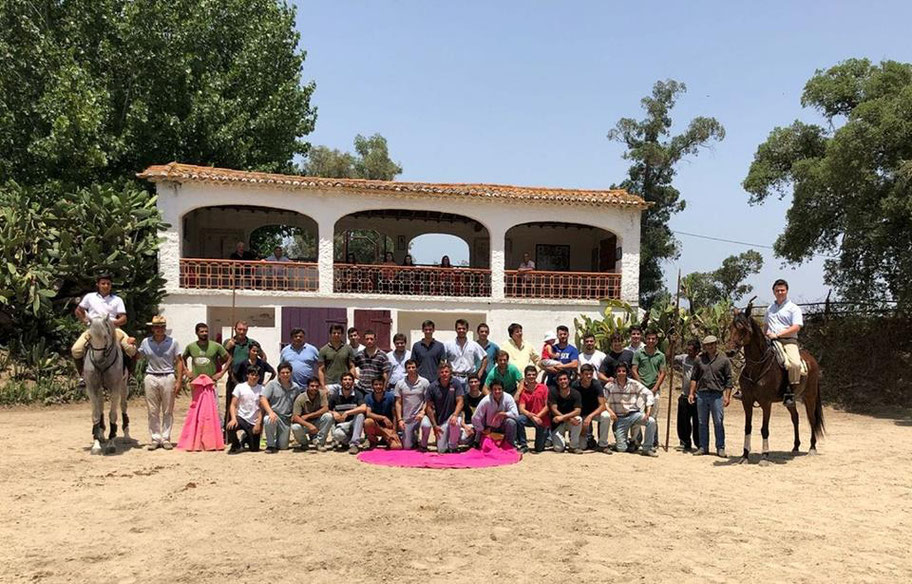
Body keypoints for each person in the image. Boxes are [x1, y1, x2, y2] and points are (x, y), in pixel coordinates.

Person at [71, 273, 137, 376]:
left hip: (113, 329)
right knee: (76, 349)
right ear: (98, 284)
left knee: (130, 348)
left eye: (108, 284)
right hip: (94, 329)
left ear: (111, 285)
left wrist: (112, 322)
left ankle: (131, 375)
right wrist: (85, 321)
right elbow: (79, 310)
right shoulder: (90, 297)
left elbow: (123, 319)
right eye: (103, 283)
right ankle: (82, 376)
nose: (106, 286)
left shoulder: (117, 299)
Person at [137, 315, 182, 450]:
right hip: (151, 376)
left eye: (162, 326)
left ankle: (166, 437)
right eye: (157, 326)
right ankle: (155, 438)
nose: (159, 329)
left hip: (168, 376)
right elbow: (139, 356)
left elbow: (179, 361)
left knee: (168, 409)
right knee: (152, 410)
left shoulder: (173, 342)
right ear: (153, 328)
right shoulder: (146, 342)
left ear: (165, 328)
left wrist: (179, 380)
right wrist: (130, 344)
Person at [599, 361, 658, 456]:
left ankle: (647, 448)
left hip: (634, 414)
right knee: (622, 449)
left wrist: (648, 411)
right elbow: (602, 401)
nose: (621, 373)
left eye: (623, 371)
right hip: (620, 418)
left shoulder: (634, 384)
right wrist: (610, 411)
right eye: (619, 371)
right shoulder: (609, 385)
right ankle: (623, 443)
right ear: (615, 373)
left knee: (651, 421)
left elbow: (649, 393)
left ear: (627, 372)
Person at [688, 335, 733, 458]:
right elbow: (694, 377)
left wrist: (727, 396)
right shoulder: (699, 360)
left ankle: (720, 447)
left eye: (712, 344)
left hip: (717, 395)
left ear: (716, 344)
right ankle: (703, 447)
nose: (710, 346)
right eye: (707, 345)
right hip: (701, 394)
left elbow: (729, 380)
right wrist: (691, 393)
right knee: (702, 422)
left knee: (718, 422)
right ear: (704, 346)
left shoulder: (724, 360)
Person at [764, 278, 804, 406]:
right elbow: (766, 325)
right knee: (750, 358)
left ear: (786, 291)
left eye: (782, 290)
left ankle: (790, 393)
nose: (780, 292)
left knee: (794, 364)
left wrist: (778, 334)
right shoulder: (770, 308)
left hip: (788, 341)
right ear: (773, 292)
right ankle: (746, 389)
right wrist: (765, 335)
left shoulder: (794, 308)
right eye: (777, 290)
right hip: (770, 340)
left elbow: (796, 326)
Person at [223, 320, 263, 429]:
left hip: (250, 380)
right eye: (239, 329)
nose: (242, 332)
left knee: (253, 405)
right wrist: (227, 348)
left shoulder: (252, 343)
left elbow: (263, 357)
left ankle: (251, 431)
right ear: (235, 329)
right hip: (233, 378)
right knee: (230, 405)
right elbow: (221, 360)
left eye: (244, 330)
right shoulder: (228, 342)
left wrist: (259, 373)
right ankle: (228, 434)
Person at [632, 329, 666, 448]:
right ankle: (636, 441)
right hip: (640, 390)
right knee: (637, 415)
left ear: (656, 341)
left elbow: (662, 373)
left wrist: (656, 387)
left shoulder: (661, 355)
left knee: (653, 417)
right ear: (645, 340)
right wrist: (641, 385)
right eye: (648, 338)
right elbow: (634, 369)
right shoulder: (639, 353)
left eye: (653, 339)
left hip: (654, 390)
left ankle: (652, 442)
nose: (651, 341)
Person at [421, 363, 465, 453]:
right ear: (438, 373)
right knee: (441, 449)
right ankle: (447, 437)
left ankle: (453, 447)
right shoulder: (432, 387)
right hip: (439, 419)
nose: (444, 374)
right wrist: (434, 425)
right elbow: (428, 408)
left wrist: (455, 415)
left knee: (455, 423)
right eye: (442, 372)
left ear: (450, 373)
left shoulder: (456, 383)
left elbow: (460, 401)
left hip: (452, 416)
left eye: (446, 372)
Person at [259, 362, 302, 453]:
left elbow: (297, 403)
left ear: (291, 373)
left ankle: (277, 442)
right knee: (268, 420)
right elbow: (263, 399)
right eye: (282, 373)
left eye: (287, 372)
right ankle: (270, 445)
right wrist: (270, 412)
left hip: (286, 418)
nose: (285, 375)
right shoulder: (272, 385)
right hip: (274, 415)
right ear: (279, 373)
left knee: (283, 447)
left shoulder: (296, 387)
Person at [471, 379, 519, 448]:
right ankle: (477, 441)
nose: (497, 391)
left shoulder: (508, 398)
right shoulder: (486, 400)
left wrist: (503, 414)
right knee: (487, 448)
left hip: (503, 426)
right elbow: (475, 417)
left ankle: (510, 444)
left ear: (503, 389)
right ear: (491, 390)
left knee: (511, 422)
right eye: (495, 389)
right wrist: (483, 429)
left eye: (499, 389)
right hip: (489, 427)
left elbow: (515, 414)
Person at [226, 368, 264, 454]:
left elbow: (262, 408)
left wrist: (258, 423)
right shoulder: (240, 387)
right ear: (247, 375)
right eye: (252, 375)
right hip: (241, 418)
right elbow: (233, 404)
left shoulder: (262, 389)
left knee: (254, 449)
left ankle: (245, 439)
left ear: (259, 377)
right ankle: (236, 445)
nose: (254, 377)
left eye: (256, 375)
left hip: (253, 421)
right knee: (230, 427)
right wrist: (233, 419)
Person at [394, 359, 429, 450]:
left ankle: (424, 445)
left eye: (413, 367)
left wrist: (422, 412)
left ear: (417, 368)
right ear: (406, 369)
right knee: (407, 446)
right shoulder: (400, 383)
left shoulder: (424, 382)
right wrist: (400, 419)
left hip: (420, 416)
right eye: (408, 367)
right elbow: (398, 403)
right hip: (407, 418)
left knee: (427, 426)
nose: (411, 369)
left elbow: (427, 400)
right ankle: (413, 438)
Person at [291, 378, 333, 451]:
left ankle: (320, 442)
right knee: (295, 427)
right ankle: (304, 443)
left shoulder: (322, 394)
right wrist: (309, 425)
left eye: (316, 386)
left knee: (328, 416)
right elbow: (295, 417)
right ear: (307, 387)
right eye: (312, 386)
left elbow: (325, 409)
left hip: (317, 421)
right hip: (305, 424)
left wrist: (308, 415)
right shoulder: (300, 398)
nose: (314, 388)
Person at [674, 339, 701, 451]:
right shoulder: (684, 358)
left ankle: (699, 444)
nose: (689, 352)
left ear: (697, 350)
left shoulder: (701, 361)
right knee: (683, 421)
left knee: (697, 422)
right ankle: (685, 442)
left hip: (698, 396)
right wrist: (671, 344)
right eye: (688, 350)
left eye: (691, 350)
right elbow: (671, 357)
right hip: (685, 394)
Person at [329, 372, 367, 454]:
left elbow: (364, 407)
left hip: (353, 424)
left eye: (350, 380)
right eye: (345, 379)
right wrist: (333, 413)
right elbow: (326, 409)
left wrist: (348, 412)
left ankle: (354, 444)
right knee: (338, 435)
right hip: (341, 426)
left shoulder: (358, 394)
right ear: (341, 382)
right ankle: (345, 441)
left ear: (353, 382)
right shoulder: (335, 396)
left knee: (360, 415)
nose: (347, 381)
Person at [516, 365, 551, 453]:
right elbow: (521, 408)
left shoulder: (543, 388)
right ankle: (523, 445)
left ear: (536, 375)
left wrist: (538, 416)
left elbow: (547, 406)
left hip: (542, 420)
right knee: (519, 419)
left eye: (533, 374)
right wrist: (532, 416)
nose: (531, 376)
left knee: (539, 449)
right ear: (525, 376)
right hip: (530, 418)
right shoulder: (524, 391)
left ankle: (546, 437)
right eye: (529, 375)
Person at [548, 371, 583, 454]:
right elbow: (554, 409)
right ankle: (559, 440)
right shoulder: (553, 392)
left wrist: (563, 418)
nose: (563, 381)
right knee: (558, 449)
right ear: (557, 382)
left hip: (567, 421)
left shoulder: (576, 393)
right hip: (558, 424)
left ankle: (573, 446)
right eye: (560, 380)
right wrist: (568, 419)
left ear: (569, 380)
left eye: (565, 379)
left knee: (579, 419)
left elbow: (578, 411)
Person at [572, 364, 605, 450]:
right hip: (581, 413)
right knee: (583, 446)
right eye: (586, 374)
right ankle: (582, 440)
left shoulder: (596, 384)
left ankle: (603, 444)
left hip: (594, 412)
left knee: (606, 416)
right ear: (581, 374)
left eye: (591, 373)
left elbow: (602, 405)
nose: (589, 376)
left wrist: (590, 416)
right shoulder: (575, 385)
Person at [363, 377, 402, 450]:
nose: (378, 386)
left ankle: (385, 439)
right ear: (372, 386)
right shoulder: (368, 397)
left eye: (380, 384)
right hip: (376, 426)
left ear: (384, 385)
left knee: (397, 447)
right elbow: (368, 413)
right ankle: (373, 441)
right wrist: (383, 418)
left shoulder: (390, 396)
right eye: (376, 384)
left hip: (388, 427)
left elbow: (394, 415)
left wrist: (394, 431)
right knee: (368, 422)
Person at [317, 324, 356, 395]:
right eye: (334, 333)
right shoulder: (323, 350)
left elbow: (352, 367)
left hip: (345, 383)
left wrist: (351, 382)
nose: (336, 335)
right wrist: (323, 387)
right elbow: (321, 369)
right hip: (329, 384)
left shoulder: (348, 348)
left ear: (342, 334)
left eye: (339, 333)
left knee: (345, 405)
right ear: (330, 334)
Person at [445, 319, 486, 384]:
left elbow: (485, 358)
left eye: (463, 328)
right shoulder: (448, 345)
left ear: (467, 330)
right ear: (455, 329)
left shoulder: (473, 344)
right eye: (459, 328)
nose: (461, 330)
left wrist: (479, 373)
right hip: (453, 378)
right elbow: (442, 360)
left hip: (469, 379)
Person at [354, 329, 391, 398]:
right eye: (367, 339)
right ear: (364, 340)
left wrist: (383, 387)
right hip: (361, 389)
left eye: (371, 339)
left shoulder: (382, 355)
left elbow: (386, 373)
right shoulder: (359, 355)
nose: (369, 341)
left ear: (375, 340)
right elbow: (351, 366)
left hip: (376, 390)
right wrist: (355, 376)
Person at [460, 376, 485, 446]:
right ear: (468, 384)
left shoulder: (484, 398)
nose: (473, 384)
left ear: (479, 383)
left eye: (475, 382)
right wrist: (465, 426)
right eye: (471, 382)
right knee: (462, 440)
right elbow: (461, 415)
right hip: (469, 425)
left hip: (481, 426)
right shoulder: (464, 398)